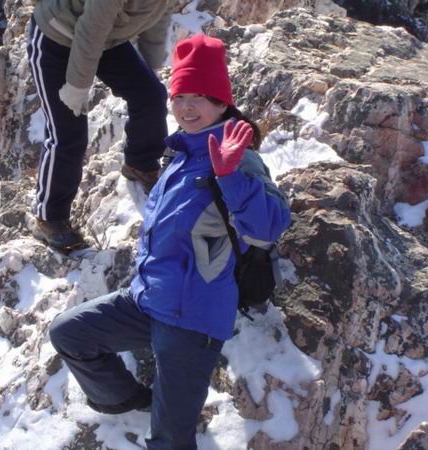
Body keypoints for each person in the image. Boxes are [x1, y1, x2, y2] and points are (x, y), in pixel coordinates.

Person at [49, 34, 292, 449]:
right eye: (180, 96)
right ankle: (127, 401)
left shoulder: (238, 157)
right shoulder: (181, 153)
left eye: (200, 97)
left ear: (221, 102)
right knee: (70, 334)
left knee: (169, 441)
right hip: (148, 302)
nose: (187, 107)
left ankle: (165, 414)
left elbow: (267, 228)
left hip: (191, 319)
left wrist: (231, 176)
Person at [27, 0, 174, 251]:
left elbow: (159, 14)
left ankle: (141, 163)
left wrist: (149, 70)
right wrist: (77, 89)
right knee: (68, 132)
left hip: (107, 38)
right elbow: (91, 29)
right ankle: (50, 217)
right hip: (56, 35)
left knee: (150, 96)